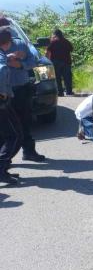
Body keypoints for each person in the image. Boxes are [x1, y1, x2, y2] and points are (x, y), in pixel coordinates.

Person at [0, 17, 45, 162]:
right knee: (5, 128)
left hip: (21, 88)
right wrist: (8, 59)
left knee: (25, 122)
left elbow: (34, 61)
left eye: (5, 27)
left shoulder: (20, 44)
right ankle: (5, 160)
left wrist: (20, 65)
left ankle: (29, 151)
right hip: (3, 93)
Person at [0, 27, 23, 186]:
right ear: (7, 43)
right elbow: (1, 70)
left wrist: (7, 58)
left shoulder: (2, 56)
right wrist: (3, 95)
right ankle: (1, 169)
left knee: (13, 133)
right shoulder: (1, 61)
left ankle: (4, 168)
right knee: (14, 135)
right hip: (2, 102)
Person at [46, 29, 74, 96]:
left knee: (57, 77)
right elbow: (71, 49)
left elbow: (47, 52)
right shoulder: (66, 41)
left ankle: (60, 92)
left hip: (56, 62)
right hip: (66, 62)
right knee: (67, 77)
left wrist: (47, 61)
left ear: (55, 35)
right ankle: (69, 92)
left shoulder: (53, 42)